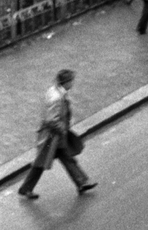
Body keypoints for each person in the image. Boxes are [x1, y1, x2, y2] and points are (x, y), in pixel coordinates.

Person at [18, 69, 97, 199]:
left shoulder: (56, 91)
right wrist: (63, 130)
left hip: (55, 136)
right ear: (66, 82)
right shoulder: (57, 98)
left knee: (65, 158)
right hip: (51, 137)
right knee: (41, 162)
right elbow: (51, 120)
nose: (72, 83)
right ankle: (26, 188)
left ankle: (81, 182)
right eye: (71, 81)